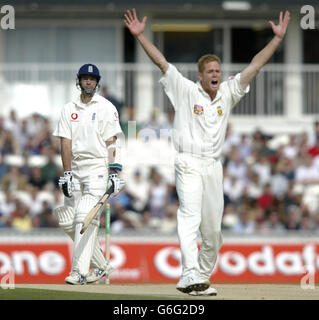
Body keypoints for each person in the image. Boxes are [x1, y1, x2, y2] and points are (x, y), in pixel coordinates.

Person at [124, 8, 290, 296]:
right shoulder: (185, 90)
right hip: (187, 161)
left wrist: (276, 41)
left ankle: (198, 278)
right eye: (210, 72)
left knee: (213, 233)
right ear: (200, 76)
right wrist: (140, 36)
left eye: (218, 71)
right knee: (189, 217)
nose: (215, 74)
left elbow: (254, 67)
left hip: (214, 166)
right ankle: (189, 273)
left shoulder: (227, 93)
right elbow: (162, 63)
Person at [52, 63, 125, 285]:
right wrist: (67, 173)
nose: (88, 82)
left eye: (92, 79)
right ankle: (102, 266)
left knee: (84, 216)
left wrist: (114, 171)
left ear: (97, 82)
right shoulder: (68, 108)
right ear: (79, 81)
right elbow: (66, 141)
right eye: (85, 78)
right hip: (76, 167)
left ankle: (79, 272)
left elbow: (112, 142)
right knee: (68, 220)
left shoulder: (106, 107)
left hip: (98, 168)